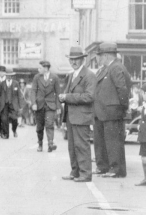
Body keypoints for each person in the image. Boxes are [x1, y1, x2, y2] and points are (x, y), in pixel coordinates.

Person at [92, 42, 131, 178]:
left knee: (113, 142)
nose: (98, 59)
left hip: (112, 112)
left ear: (106, 55)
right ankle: (103, 167)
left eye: (99, 56)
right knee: (101, 141)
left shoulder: (115, 68)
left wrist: (122, 108)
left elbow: (122, 90)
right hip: (103, 112)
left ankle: (116, 169)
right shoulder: (107, 68)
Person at [58, 47, 95, 183]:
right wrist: (64, 97)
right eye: (71, 59)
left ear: (82, 59)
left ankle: (85, 174)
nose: (73, 62)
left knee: (81, 145)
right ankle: (75, 171)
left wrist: (67, 96)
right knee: (72, 146)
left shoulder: (89, 75)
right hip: (72, 116)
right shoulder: (72, 75)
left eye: (76, 59)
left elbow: (89, 97)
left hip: (82, 116)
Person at [29, 60, 61, 152]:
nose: (38, 69)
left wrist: (58, 107)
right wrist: (34, 103)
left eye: (40, 68)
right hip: (39, 105)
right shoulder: (37, 77)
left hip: (50, 106)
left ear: (45, 68)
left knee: (50, 124)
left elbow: (58, 92)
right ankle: (40, 143)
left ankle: (50, 144)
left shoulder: (55, 77)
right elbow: (33, 91)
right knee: (39, 127)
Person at [0, 67, 23, 139]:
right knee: (4, 119)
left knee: (14, 118)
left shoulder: (16, 83)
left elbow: (19, 95)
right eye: (8, 75)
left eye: (11, 75)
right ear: (6, 75)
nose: (9, 77)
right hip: (4, 104)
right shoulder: (1, 84)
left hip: (13, 105)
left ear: (12, 76)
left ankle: (14, 130)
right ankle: (6, 134)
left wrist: (20, 105)